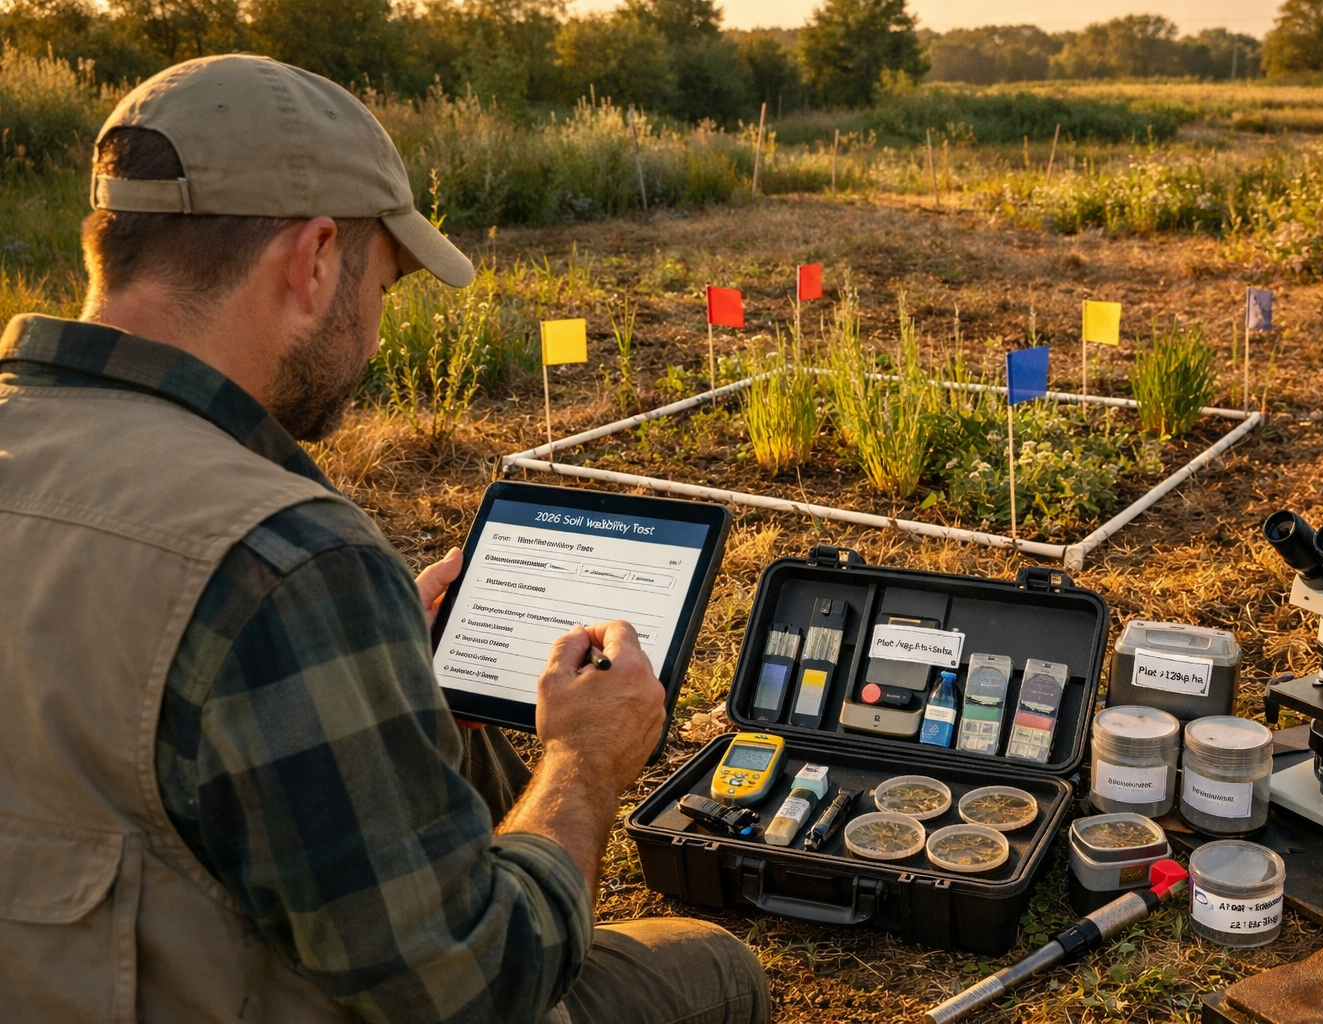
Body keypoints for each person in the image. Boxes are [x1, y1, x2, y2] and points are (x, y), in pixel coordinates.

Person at [0, 54, 770, 1024]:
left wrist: (357, 666)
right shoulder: (281, 561)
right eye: (385, 284)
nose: (369, 336)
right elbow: (471, 990)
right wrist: (582, 760)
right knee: (713, 968)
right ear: (316, 259)